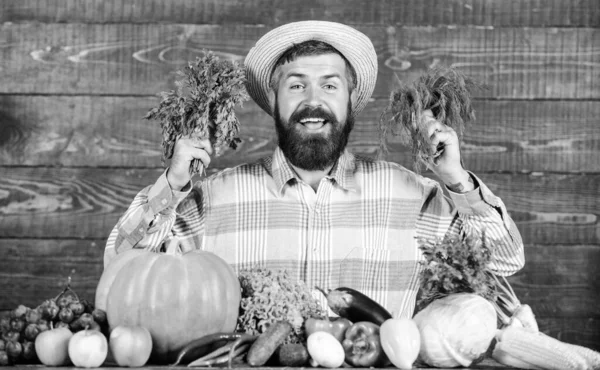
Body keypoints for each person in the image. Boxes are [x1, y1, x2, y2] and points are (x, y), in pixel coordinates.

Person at [104, 21, 524, 318]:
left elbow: (505, 260)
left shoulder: (411, 196)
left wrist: (456, 180)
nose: (312, 99)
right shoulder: (214, 199)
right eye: (296, 84)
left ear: (349, 97)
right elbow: (120, 264)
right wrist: (174, 183)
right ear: (275, 99)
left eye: (329, 84)